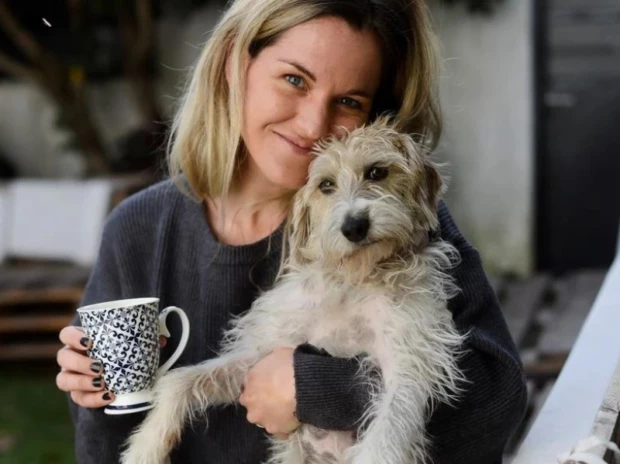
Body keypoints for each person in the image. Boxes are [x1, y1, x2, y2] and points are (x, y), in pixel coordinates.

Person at [55, 0, 527, 462]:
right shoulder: (138, 230)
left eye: (348, 101)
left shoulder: (396, 228)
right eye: (294, 79)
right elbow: (103, 445)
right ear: (235, 64)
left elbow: (498, 403)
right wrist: (93, 394)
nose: (313, 124)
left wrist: (315, 390)